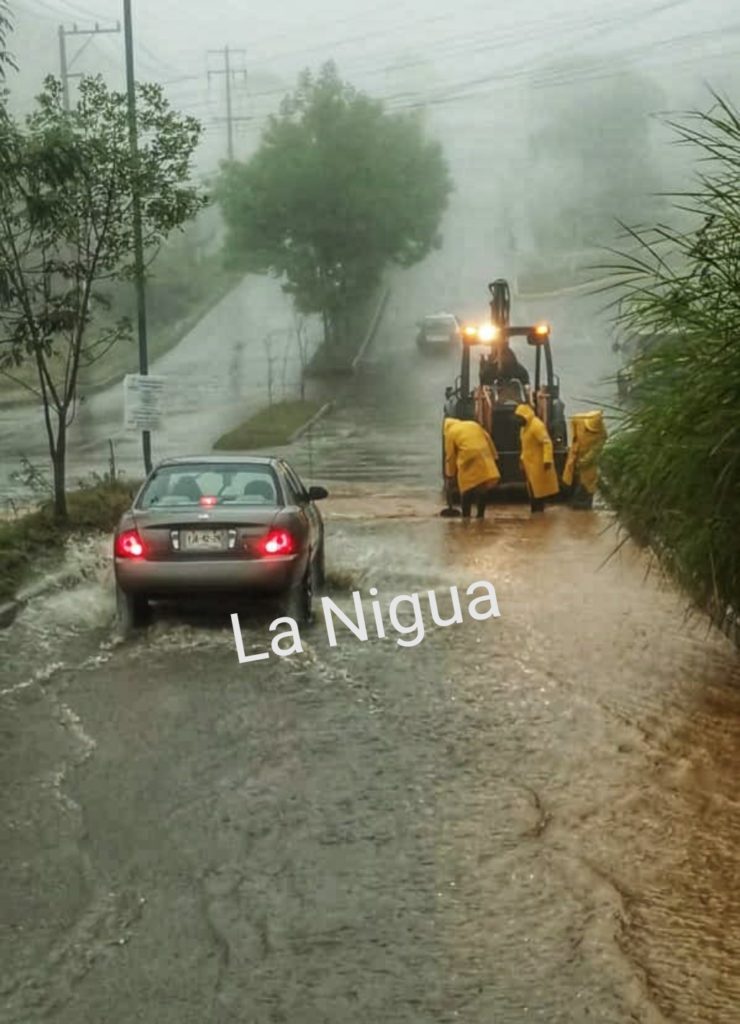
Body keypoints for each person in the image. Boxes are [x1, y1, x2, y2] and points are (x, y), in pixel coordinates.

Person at [443, 417, 501, 519]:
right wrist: (494, 455)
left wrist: (450, 475)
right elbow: (487, 438)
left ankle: (466, 517)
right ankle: (480, 515)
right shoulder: (473, 424)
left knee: (466, 487)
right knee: (481, 485)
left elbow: (450, 456)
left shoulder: (450, 433)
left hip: (467, 457)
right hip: (483, 454)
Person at [514, 403, 560, 512]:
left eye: (519, 418)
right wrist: (521, 459)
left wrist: (547, 459)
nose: (518, 421)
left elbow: (547, 442)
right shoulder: (524, 428)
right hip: (529, 463)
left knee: (539, 491)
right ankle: (536, 514)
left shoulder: (536, 425)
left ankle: (538, 513)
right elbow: (525, 446)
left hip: (538, 463)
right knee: (532, 490)